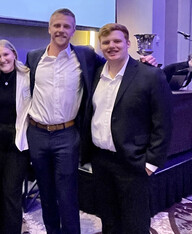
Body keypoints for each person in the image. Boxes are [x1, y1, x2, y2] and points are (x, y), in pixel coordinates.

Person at [25, 9, 157, 233]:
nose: (61, 30)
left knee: (67, 196)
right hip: (37, 134)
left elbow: (116, 61)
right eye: (57, 25)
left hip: (67, 135)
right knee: (46, 193)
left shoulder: (85, 56)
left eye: (67, 26)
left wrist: (143, 62)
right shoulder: (34, 57)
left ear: (74, 30)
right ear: (49, 28)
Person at [88, 23, 172, 234]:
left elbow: (163, 123)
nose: (111, 46)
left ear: (128, 43)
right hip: (101, 161)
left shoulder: (150, 75)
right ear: (100, 46)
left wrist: (151, 163)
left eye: (117, 41)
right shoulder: (96, 74)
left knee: (135, 224)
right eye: (106, 42)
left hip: (133, 163)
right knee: (108, 221)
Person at [0, 39, 31, 234]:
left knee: (11, 193)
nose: (2, 60)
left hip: (17, 143)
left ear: (14, 54)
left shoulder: (28, 76)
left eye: (5, 55)